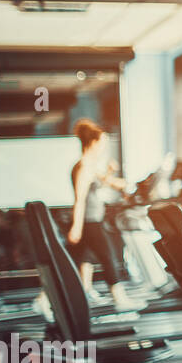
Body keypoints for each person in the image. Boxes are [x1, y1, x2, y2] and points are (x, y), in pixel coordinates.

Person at [66, 119, 135, 311]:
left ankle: (75, 294)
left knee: (83, 259)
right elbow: (79, 199)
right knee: (108, 256)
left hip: (91, 220)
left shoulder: (89, 165)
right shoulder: (84, 167)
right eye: (103, 142)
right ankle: (119, 298)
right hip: (89, 222)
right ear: (94, 143)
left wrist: (113, 175)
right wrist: (76, 228)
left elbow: (104, 181)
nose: (104, 147)